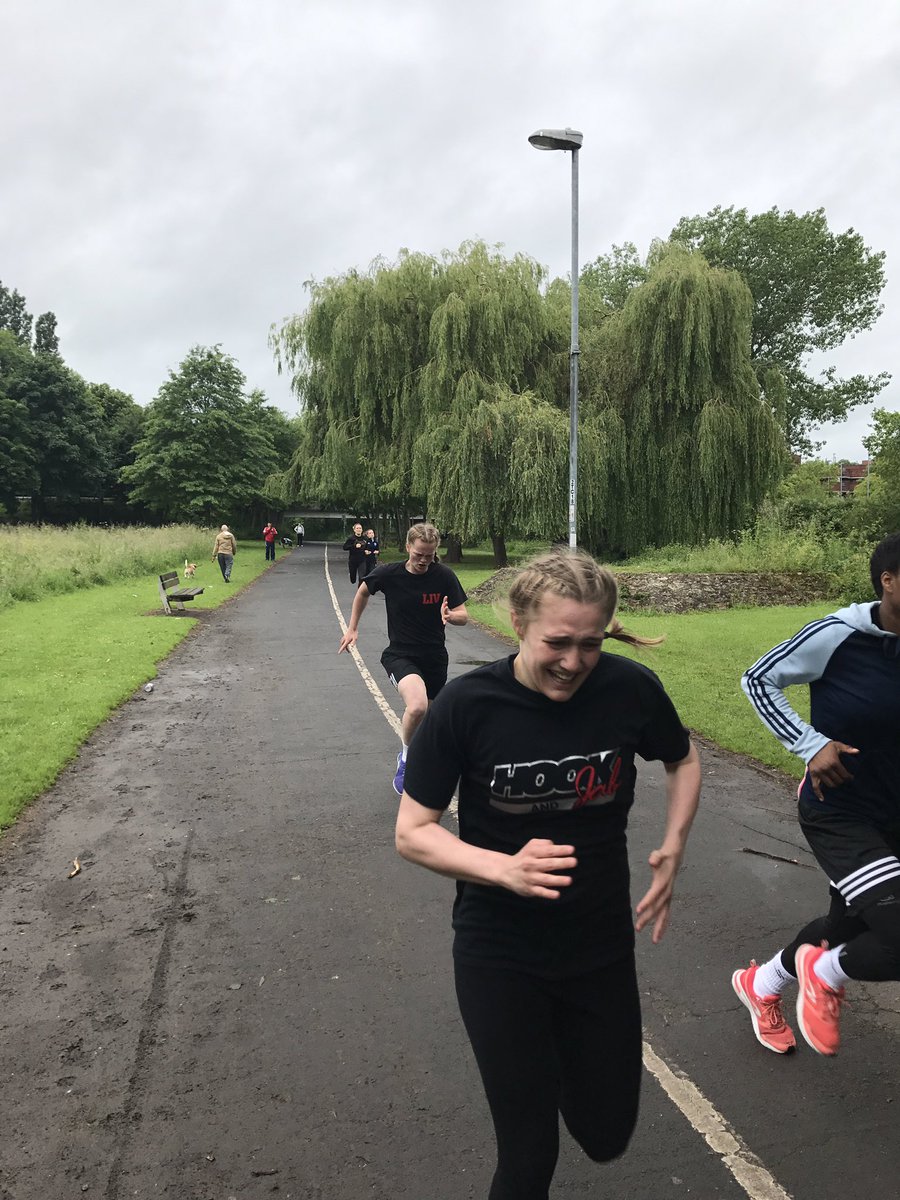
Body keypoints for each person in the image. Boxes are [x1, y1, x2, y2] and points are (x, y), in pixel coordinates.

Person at [394, 548, 701, 1200]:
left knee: (606, 1134)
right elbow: (412, 833)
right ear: (516, 621)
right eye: (557, 642)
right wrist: (502, 868)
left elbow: (683, 759)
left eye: (591, 643)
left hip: (598, 947)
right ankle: (531, 1064)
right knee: (529, 1152)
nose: (574, 661)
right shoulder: (468, 707)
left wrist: (674, 846)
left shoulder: (628, 690)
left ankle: (556, 1058)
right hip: (500, 952)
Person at [733, 531, 900, 1057]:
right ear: (888, 581)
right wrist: (810, 744)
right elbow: (758, 678)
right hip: (842, 812)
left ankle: (761, 986)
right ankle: (824, 973)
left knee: (846, 923)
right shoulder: (838, 635)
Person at [338, 522, 468, 794]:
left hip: (434, 657)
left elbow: (462, 615)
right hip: (400, 654)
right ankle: (407, 759)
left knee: (427, 717)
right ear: (408, 547)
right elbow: (363, 590)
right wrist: (352, 628)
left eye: (429, 556)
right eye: (418, 554)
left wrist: (450, 617)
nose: (423, 560)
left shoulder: (444, 576)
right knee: (417, 706)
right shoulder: (389, 573)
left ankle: (421, 756)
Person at [342, 522, 368, 587]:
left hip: (362, 560)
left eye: (360, 528)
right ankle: (351, 575)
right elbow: (344, 547)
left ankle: (360, 589)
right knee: (353, 579)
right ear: (354, 530)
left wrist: (368, 551)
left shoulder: (365, 539)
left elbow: (369, 547)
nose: (359, 529)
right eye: (357, 528)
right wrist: (354, 546)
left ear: (362, 530)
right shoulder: (351, 538)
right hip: (353, 560)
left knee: (362, 576)